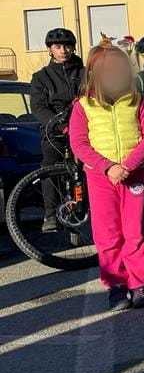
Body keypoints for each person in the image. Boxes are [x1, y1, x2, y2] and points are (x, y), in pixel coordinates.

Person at [68, 41, 144, 311]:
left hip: (133, 176)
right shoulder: (83, 106)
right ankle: (116, 285)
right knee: (108, 234)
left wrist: (129, 165)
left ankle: (138, 284)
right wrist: (108, 167)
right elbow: (79, 143)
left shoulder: (138, 101)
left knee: (134, 232)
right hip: (100, 178)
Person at [29, 27, 85, 232]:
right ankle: (50, 214)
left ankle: (89, 205)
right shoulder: (41, 77)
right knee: (49, 167)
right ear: (50, 50)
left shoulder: (85, 72)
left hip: (84, 128)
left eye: (68, 46)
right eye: (58, 46)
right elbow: (38, 107)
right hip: (55, 131)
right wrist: (58, 125)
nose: (63, 50)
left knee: (90, 167)